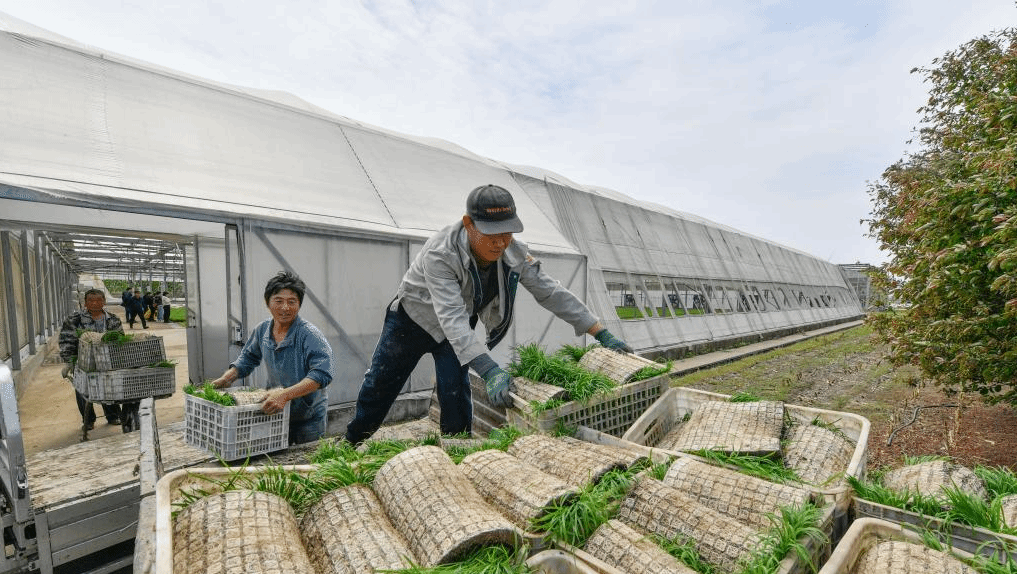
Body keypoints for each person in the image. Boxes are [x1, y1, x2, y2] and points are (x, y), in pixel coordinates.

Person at [344, 184, 633, 445]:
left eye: (507, 233)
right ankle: (354, 439)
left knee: (455, 392)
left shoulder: (512, 252)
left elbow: (550, 291)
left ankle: (456, 450)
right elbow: (451, 316)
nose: (500, 242)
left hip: (456, 326)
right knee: (381, 384)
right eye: (492, 234)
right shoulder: (440, 253)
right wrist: (491, 370)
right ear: (469, 224)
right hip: (412, 321)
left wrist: (599, 332)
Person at [209, 271, 335, 444]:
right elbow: (248, 357)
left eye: (292, 302)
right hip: (275, 410)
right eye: (278, 301)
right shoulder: (262, 330)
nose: (285, 307)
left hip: (308, 417)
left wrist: (284, 395)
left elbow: (322, 374)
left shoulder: (310, 335)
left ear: (299, 305)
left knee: (306, 462)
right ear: (267, 303)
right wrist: (226, 378)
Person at [59, 289, 123, 432]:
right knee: (84, 391)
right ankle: (88, 420)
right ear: (85, 302)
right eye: (91, 300)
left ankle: (113, 416)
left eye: (98, 300)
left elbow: (120, 340)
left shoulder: (113, 319)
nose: (95, 303)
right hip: (83, 363)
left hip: (107, 362)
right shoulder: (74, 320)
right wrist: (69, 361)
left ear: (104, 301)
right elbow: (66, 340)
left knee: (108, 389)